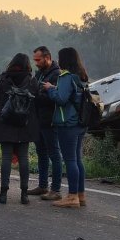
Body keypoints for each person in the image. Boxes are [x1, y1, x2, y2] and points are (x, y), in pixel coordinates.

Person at [0, 53, 39, 205]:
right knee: (24, 158)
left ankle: (3, 194)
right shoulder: (32, 80)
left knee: (6, 158)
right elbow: (38, 102)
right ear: (28, 64)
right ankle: (24, 195)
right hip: (24, 125)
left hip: (5, 123)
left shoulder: (3, 78)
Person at [42, 47, 88, 208]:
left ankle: (72, 197)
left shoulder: (66, 77)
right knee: (77, 160)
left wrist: (49, 90)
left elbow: (61, 99)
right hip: (80, 123)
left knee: (70, 160)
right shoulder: (81, 77)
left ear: (64, 60)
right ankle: (80, 195)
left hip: (67, 123)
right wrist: (56, 89)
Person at [28, 46, 63, 201]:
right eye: (34, 60)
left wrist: (36, 95)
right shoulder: (39, 73)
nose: (35, 63)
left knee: (54, 154)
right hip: (38, 120)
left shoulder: (57, 74)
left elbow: (52, 98)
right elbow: (35, 90)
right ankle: (43, 185)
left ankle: (55, 189)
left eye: (38, 59)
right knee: (41, 153)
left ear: (47, 57)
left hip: (50, 121)